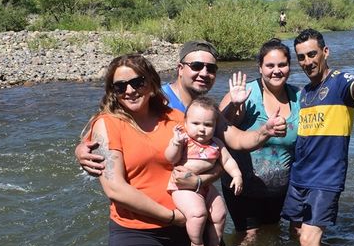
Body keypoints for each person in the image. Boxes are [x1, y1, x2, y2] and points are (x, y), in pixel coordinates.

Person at [84, 54, 209, 246]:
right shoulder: (107, 124)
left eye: (137, 82)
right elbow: (115, 189)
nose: (129, 90)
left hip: (185, 230)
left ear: (152, 83)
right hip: (137, 232)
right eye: (120, 86)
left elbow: (212, 153)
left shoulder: (176, 119)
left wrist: (202, 180)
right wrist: (170, 217)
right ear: (112, 92)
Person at [76, 41, 287, 191]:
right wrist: (82, 148)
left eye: (211, 68)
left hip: (192, 199)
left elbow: (237, 139)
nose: (204, 73)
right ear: (180, 68)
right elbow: (112, 117)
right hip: (150, 204)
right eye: (196, 66)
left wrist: (265, 130)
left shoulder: (204, 109)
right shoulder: (153, 98)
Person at [281, 28, 354, 246]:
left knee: (308, 244)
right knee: (295, 233)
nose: (307, 62)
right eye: (301, 57)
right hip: (300, 176)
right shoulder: (304, 93)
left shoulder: (341, 82)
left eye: (312, 54)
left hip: (326, 177)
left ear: (325, 52)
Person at [218, 38, 300, 246]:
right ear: (260, 68)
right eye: (270, 65)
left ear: (289, 66)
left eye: (282, 65)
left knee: (272, 235)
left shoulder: (298, 97)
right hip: (242, 188)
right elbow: (218, 128)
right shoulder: (243, 93)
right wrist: (234, 106)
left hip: (279, 191)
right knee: (249, 238)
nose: (276, 71)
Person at [165, 96, 243, 246]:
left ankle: (214, 243)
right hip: (182, 188)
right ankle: (197, 243)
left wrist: (237, 175)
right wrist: (175, 143)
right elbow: (170, 158)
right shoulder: (184, 140)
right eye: (196, 123)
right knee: (198, 214)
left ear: (215, 126)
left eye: (208, 125)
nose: (202, 129)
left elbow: (227, 161)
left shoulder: (216, 144)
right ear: (185, 123)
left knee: (220, 213)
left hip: (206, 187)